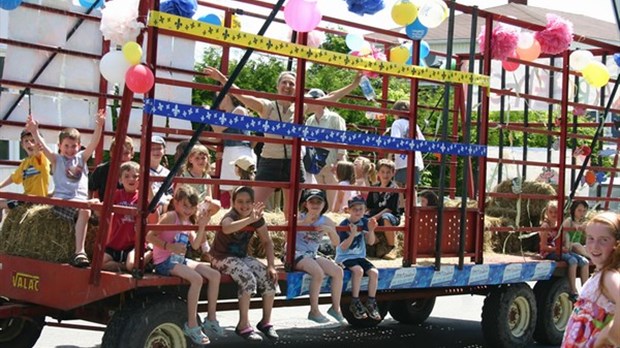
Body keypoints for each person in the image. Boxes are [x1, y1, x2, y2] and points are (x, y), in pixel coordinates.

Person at [204, 67, 360, 217]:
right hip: (269, 161)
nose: (287, 86)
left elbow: (331, 97)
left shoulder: (301, 106)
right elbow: (241, 95)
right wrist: (222, 79)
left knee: (291, 212)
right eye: (284, 82)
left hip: (293, 162)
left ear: (297, 88)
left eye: (292, 83)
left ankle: (289, 244)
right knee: (254, 206)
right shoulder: (267, 106)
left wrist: (354, 84)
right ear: (277, 86)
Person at [146, 185, 223, 345]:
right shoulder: (170, 216)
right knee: (196, 279)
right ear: (176, 202)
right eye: (185, 205)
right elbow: (149, 236)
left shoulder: (188, 220)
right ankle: (192, 324)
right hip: (164, 261)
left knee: (215, 275)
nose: (188, 210)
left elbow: (195, 245)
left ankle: (211, 318)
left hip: (179, 260)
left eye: (192, 207)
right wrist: (169, 246)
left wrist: (202, 225)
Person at [26, 111, 104, 267]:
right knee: (86, 211)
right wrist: (34, 131)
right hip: (63, 201)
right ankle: (80, 252)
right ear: (60, 146)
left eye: (73, 146)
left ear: (79, 146)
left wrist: (99, 125)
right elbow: (44, 147)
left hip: (81, 201)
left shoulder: (82, 157)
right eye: (66, 146)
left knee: (102, 206)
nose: (70, 149)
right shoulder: (56, 160)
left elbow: (94, 143)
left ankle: (106, 250)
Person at [210, 186, 279, 342]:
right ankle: (243, 325)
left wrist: (271, 266)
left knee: (268, 278)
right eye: (240, 201)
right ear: (233, 203)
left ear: (253, 203)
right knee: (247, 278)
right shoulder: (230, 216)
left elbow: (267, 241)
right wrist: (250, 219)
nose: (244, 205)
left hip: (240, 256)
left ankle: (266, 322)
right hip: (220, 257)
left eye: (248, 202)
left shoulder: (257, 219)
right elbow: (226, 228)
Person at [562, 211, 620, 348]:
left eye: (603, 240)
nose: (594, 246)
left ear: (617, 245)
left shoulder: (608, 276)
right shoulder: (600, 274)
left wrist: (607, 336)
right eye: (590, 238)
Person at [294, 189, 345, 324]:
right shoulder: (300, 216)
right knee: (318, 273)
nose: (315, 205)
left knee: (338, 271)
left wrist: (329, 230)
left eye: (319, 202)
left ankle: (335, 308)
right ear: (306, 204)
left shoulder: (326, 220)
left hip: (312, 254)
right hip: (295, 253)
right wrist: (306, 223)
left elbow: (336, 243)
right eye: (312, 201)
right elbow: (288, 228)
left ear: (324, 205)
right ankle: (314, 311)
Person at [102, 161, 155, 272]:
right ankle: (123, 266)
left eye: (135, 176)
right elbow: (104, 207)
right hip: (116, 242)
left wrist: (148, 185)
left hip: (133, 243)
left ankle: (151, 253)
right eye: (126, 176)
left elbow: (153, 208)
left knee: (132, 265)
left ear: (140, 180)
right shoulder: (116, 194)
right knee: (100, 262)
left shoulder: (142, 197)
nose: (131, 179)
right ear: (120, 180)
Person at [336, 195, 381, 321]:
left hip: (359, 256)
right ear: (349, 210)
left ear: (365, 210)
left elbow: (371, 242)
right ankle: (355, 301)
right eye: (354, 209)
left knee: (374, 272)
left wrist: (371, 230)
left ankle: (371, 302)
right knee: (358, 270)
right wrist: (352, 235)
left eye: (360, 209)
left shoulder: (365, 222)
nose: (357, 212)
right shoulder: (344, 224)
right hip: (345, 257)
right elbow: (343, 247)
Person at [304, 87, 350, 206]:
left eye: (311, 100)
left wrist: (340, 162)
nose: (308, 103)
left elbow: (341, 140)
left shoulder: (335, 118)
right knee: (317, 195)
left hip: (332, 163)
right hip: (315, 164)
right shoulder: (309, 120)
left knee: (332, 199)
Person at [211, 94, 256, 209]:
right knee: (231, 189)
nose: (217, 100)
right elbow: (217, 137)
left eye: (219, 97)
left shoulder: (239, 111)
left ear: (227, 96)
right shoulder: (228, 114)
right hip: (230, 151)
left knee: (241, 188)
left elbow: (217, 129)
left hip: (239, 151)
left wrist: (207, 114)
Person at [539, 201, 589, 301]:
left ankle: (586, 291)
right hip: (548, 253)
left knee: (583, 261)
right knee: (572, 260)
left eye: (556, 212)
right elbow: (543, 247)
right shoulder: (545, 227)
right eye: (551, 212)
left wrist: (563, 247)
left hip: (559, 250)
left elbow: (562, 240)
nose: (553, 214)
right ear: (546, 213)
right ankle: (573, 290)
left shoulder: (559, 225)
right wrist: (559, 249)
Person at [0, 128, 50, 210]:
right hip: (26, 199)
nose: (29, 144)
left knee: (2, 204)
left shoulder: (41, 158)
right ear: (22, 145)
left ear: (39, 144)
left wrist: (37, 141)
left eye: (33, 140)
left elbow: (38, 152)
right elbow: (13, 178)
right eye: (26, 141)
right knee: (6, 206)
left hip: (35, 202)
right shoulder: (24, 163)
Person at [390, 100, 425, 209]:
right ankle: (413, 208)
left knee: (399, 185)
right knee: (412, 187)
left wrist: (390, 155)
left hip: (402, 159)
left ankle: (401, 207)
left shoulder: (397, 123)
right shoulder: (414, 125)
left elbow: (394, 140)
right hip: (416, 159)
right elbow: (422, 141)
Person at [365, 159, 401, 260]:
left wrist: (374, 218)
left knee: (386, 218)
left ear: (393, 173)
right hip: (375, 214)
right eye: (383, 172)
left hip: (390, 216)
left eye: (388, 172)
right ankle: (376, 241)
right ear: (378, 173)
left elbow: (389, 209)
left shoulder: (394, 189)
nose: (385, 175)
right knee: (360, 219)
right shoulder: (374, 187)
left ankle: (391, 247)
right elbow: (369, 206)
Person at [89, 136, 134, 201]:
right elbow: (90, 188)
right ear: (111, 153)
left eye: (126, 153)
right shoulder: (101, 169)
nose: (122, 157)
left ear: (132, 154)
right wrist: (91, 206)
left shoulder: (136, 171)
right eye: (118, 153)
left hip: (129, 208)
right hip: (105, 208)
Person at [150, 135, 173, 212]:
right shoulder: (141, 169)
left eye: (159, 148)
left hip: (165, 204)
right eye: (152, 149)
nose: (156, 152)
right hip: (149, 204)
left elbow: (170, 192)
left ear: (164, 151)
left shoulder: (167, 172)